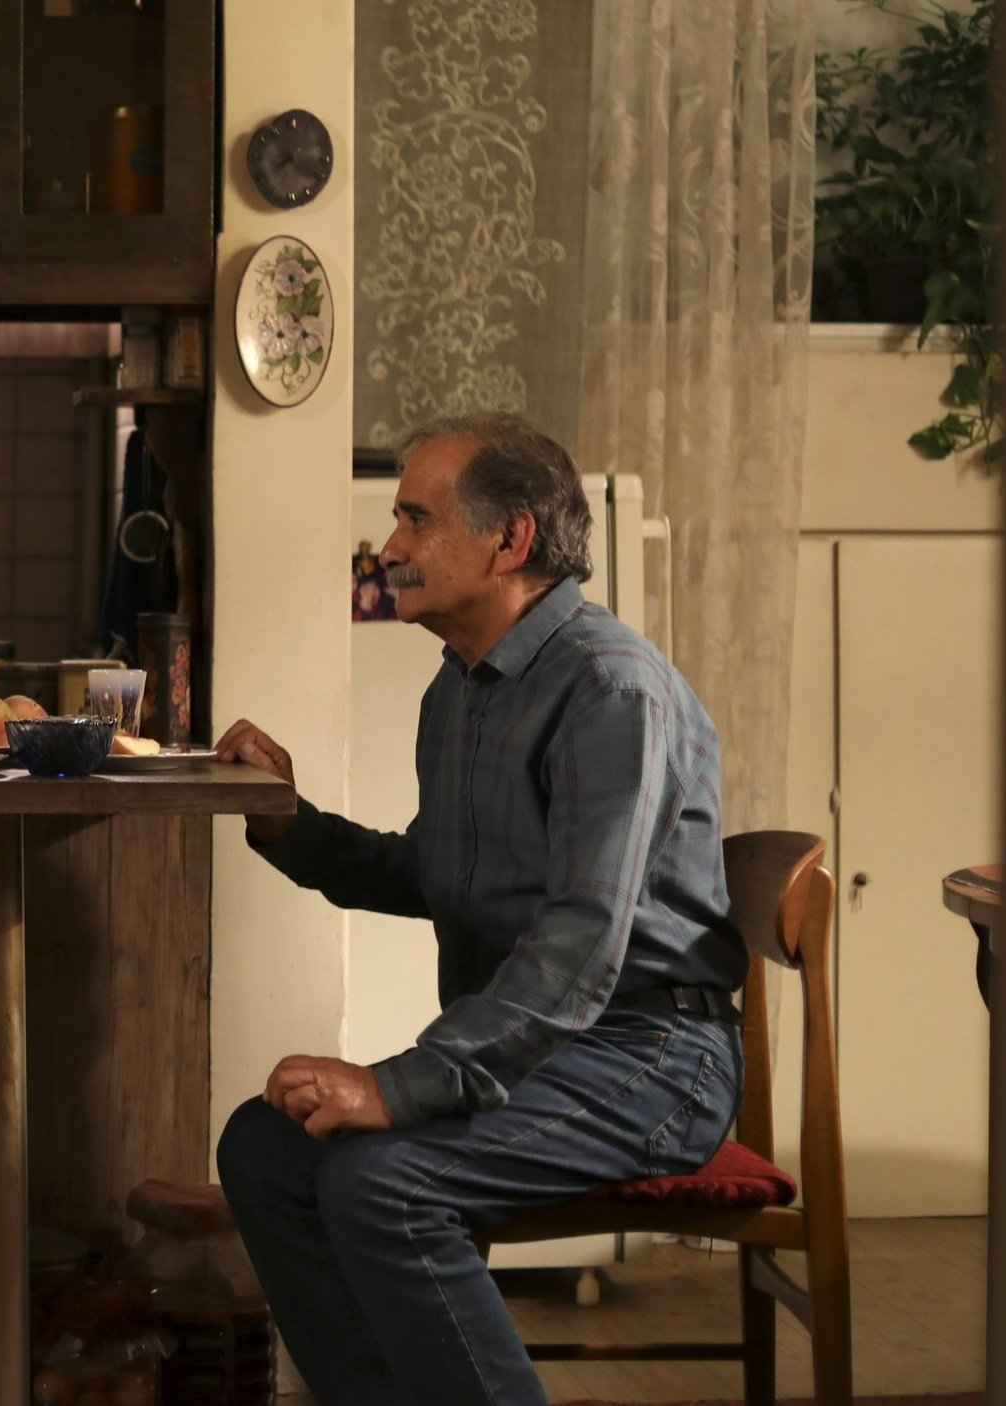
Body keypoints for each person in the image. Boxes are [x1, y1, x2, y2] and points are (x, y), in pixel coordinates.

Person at [210, 412, 747, 1406]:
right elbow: (434, 873)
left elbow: (581, 942)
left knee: (382, 1182)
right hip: (546, 1046)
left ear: (510, 540)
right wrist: (288, 820)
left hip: (652, 1057)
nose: (389, 548)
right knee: (264, 1147)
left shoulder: (609, 689)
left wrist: (400, 1085)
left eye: (416, 518)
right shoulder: (458, 691)